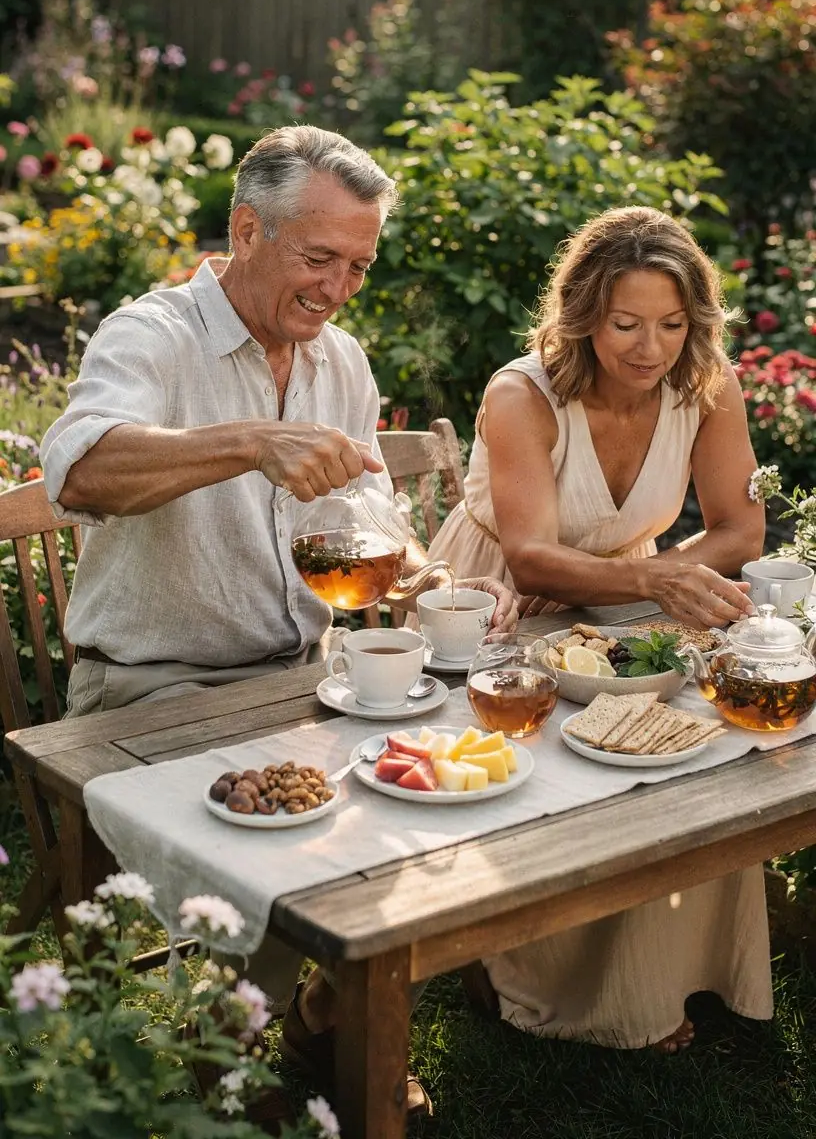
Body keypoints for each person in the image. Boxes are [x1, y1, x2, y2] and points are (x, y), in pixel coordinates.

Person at [40, 124, 516, 1116]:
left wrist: (431, 582)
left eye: (358, 265)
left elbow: (374, 517)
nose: (339, 288)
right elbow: (82, 473)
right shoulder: (152, 335)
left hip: (305, 676)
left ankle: (314, 1025)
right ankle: (242, 1054)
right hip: (151, 687)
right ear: (247, 230)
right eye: (318, 258)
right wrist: (250, 441)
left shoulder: (338, 358)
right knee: (294, 842)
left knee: (441, 795)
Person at [427, 205, 772, 1052]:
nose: (648, 349)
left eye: (670, 324)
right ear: (583, 315)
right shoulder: (523, 395)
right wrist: (649, 577)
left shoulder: (708, 385)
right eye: (625, 323)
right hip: (502, 604)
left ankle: (672, 977)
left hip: (626, 607)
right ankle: (518, 972)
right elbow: (535, 561)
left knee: (683, 748)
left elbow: (741, 528)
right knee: (552, 770)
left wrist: (664, 576)